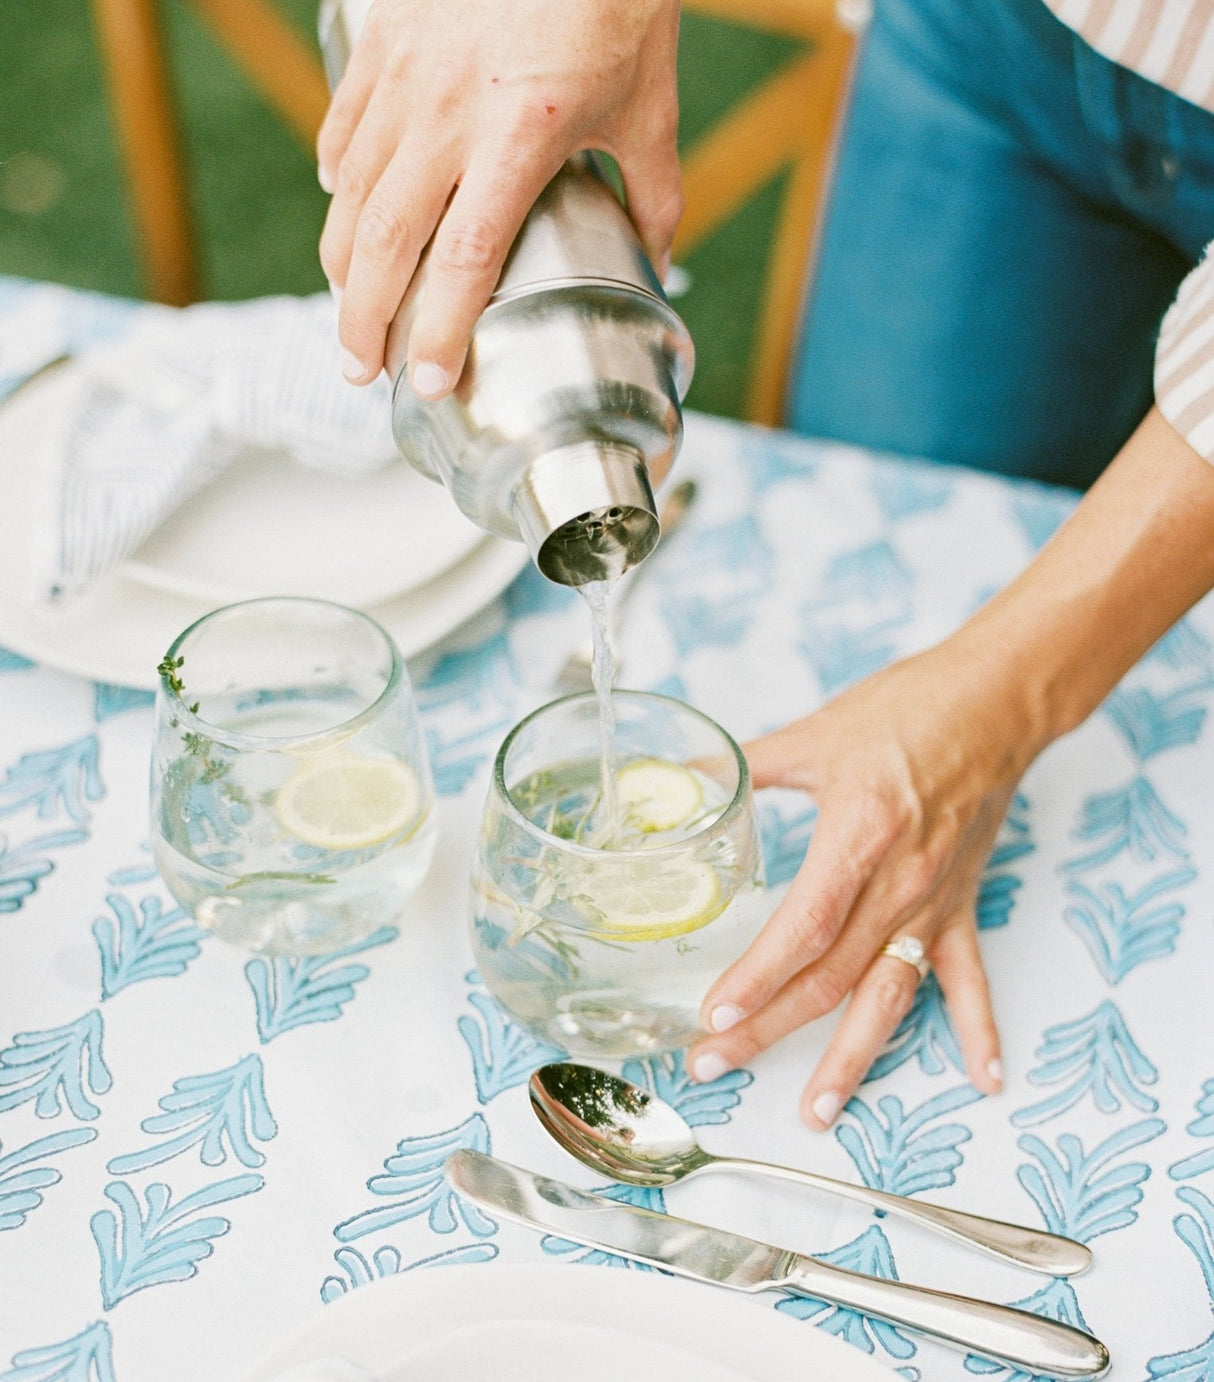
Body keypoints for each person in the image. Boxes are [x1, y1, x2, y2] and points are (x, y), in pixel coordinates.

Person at [316, 0, 1214, 1130]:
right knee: (889, 564)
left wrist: (1001, 702)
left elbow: (983, 698)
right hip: (1006, 32)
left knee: (958, 702)